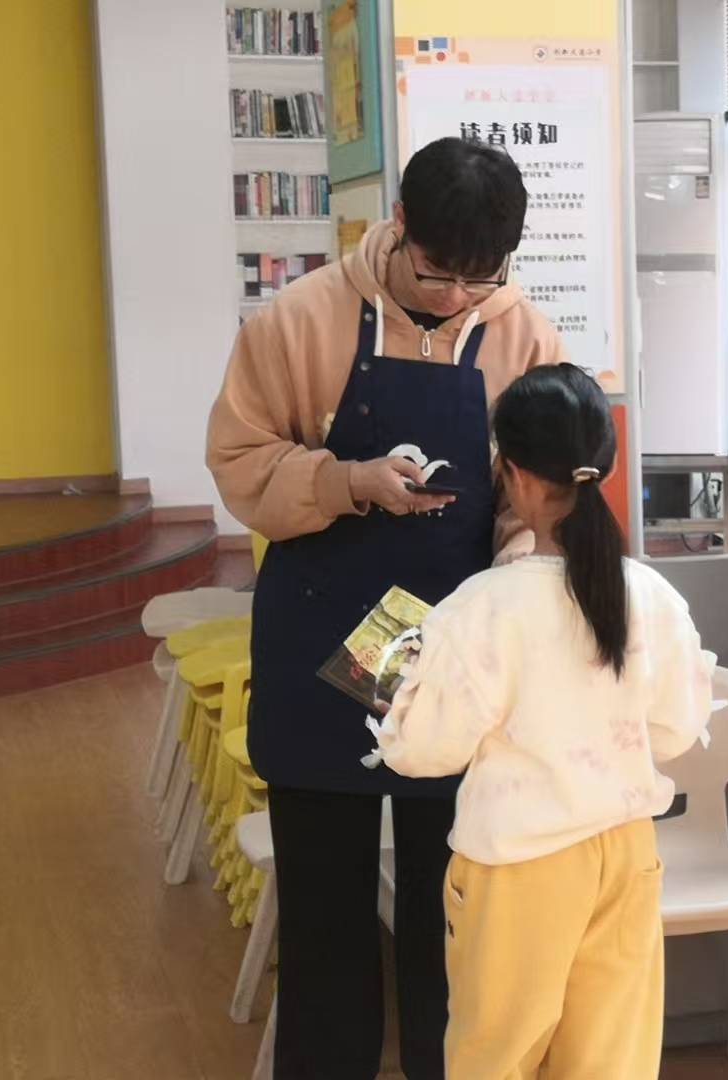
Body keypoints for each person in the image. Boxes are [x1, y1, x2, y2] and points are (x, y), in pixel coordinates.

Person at [206, 137, 563, 1078]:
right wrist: (347, 481)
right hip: (322, 634)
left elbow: (539, 498)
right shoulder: (299, 321)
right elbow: (238, 464)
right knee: (324, 922)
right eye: (438, 273)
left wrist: (521, 562)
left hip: (461, 659)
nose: (456, 298)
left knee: (456, 919)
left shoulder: (525, 339)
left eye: (481, 279)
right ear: (397, 226)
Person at [367, 363, 714, 1078]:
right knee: (611, 1063)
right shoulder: (651, 594)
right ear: (603, 468)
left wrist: (388, 678)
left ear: (513, 474)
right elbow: (677, 731)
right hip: (626, 855)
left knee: (495, 1059)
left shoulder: (481, 605)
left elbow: (421, 751)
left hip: (517, 867)